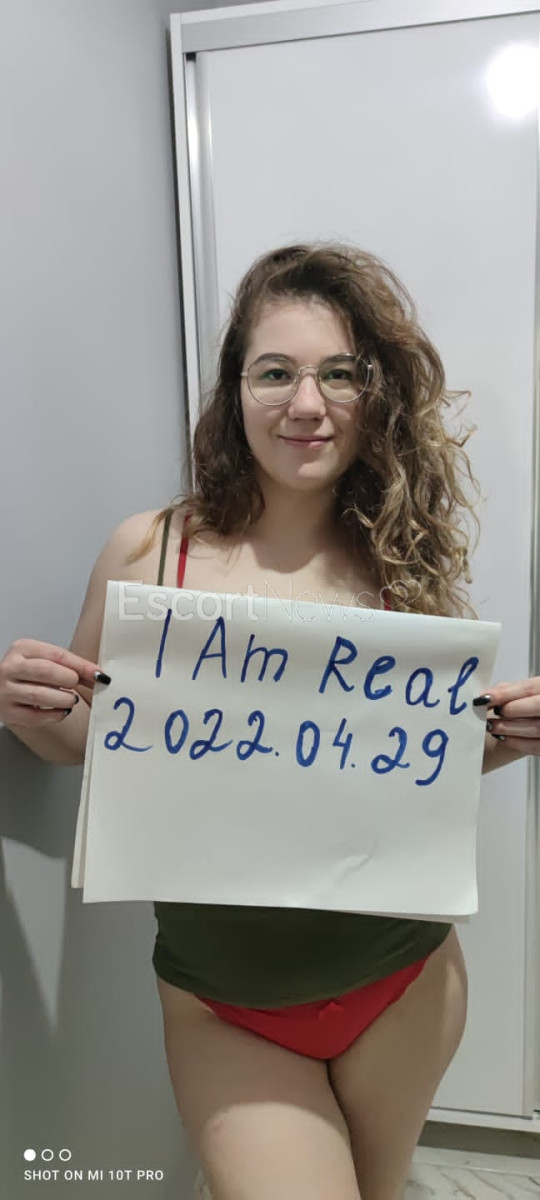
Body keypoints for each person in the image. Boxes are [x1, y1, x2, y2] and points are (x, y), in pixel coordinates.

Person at [1, 242, 539, 1200]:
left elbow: (417, 761)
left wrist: (506, 737)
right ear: (235, 389)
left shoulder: (400, 561)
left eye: (341, 374)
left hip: (403, 980)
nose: (307, 403)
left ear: (375, 393)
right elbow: (91, 739)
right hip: (225, 1000)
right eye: (277, 372)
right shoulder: (151, 550)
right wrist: (32, 712)